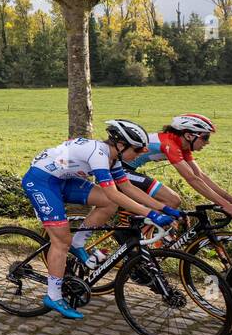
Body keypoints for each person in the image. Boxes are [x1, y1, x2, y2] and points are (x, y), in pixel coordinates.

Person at [21, 119, 179, 319]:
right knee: (61, 241)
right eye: (138, 150)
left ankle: (78, 244)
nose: (141, 154)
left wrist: (162, 207)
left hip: (63, 179)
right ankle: (53, 296)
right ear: (121, 145)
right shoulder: (99, 154)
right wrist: (151, 214)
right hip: (41, 181)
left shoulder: (114, 158)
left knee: (107, 204)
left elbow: (127, 188)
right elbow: (115, 193)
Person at [122, 113, 232, 218]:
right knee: (172, 200)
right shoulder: (169, 144)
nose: (207, 142)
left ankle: (136, 231)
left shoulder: (182, 146)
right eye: (205, 137)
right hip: (116, 168)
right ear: (188, 135)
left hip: (126, 169)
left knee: (171, 201)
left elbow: (200, 176)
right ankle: (137, 236)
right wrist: (225, 205)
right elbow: (192, 179)